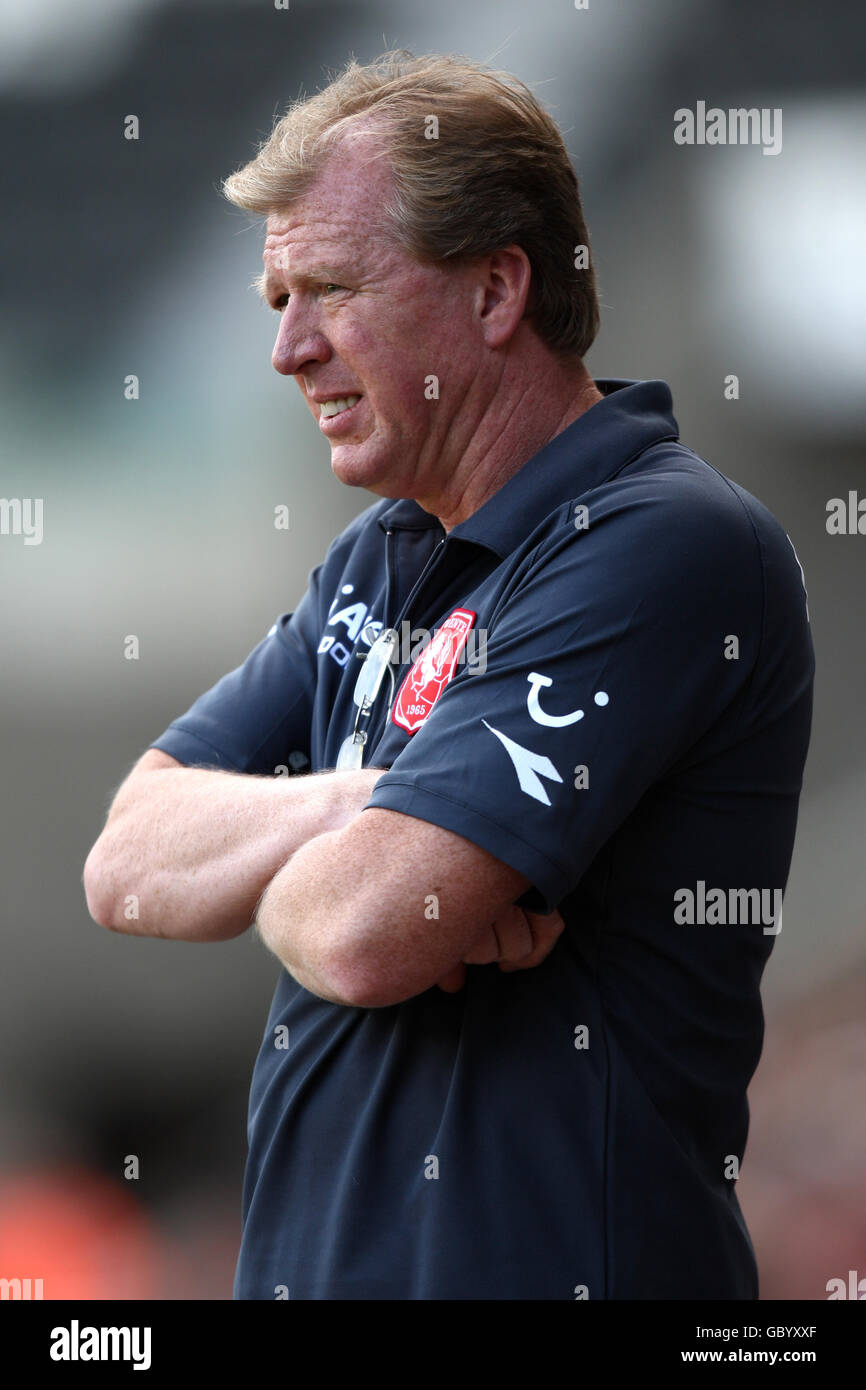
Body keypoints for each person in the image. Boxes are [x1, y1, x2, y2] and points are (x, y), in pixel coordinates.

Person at [83, 51, 814, 1300]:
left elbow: (361, 934)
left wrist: (296, 860)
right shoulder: (380, 555)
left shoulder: (663, 542)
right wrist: (360, 802)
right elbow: (127, 862)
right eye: (277, 298)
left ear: (493, 289)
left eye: (330, 288)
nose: (288, 348)